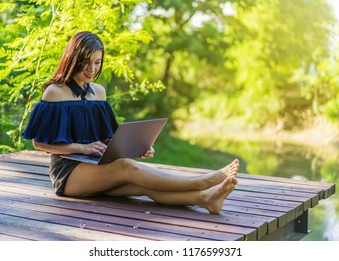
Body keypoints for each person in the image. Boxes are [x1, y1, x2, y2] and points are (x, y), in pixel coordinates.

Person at [22, 31, 239, 214]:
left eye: (97, 63)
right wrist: (81, 148)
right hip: (69, 173)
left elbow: (107, 138)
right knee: (126, 167)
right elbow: (38, 143)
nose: (92, 69)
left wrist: (136, 146)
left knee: (141, 185)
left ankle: (205, 198)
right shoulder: (55, 93)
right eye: (86, 63)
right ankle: (202, 181)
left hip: (97, 167)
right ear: (72, 60)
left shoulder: (99, 92)